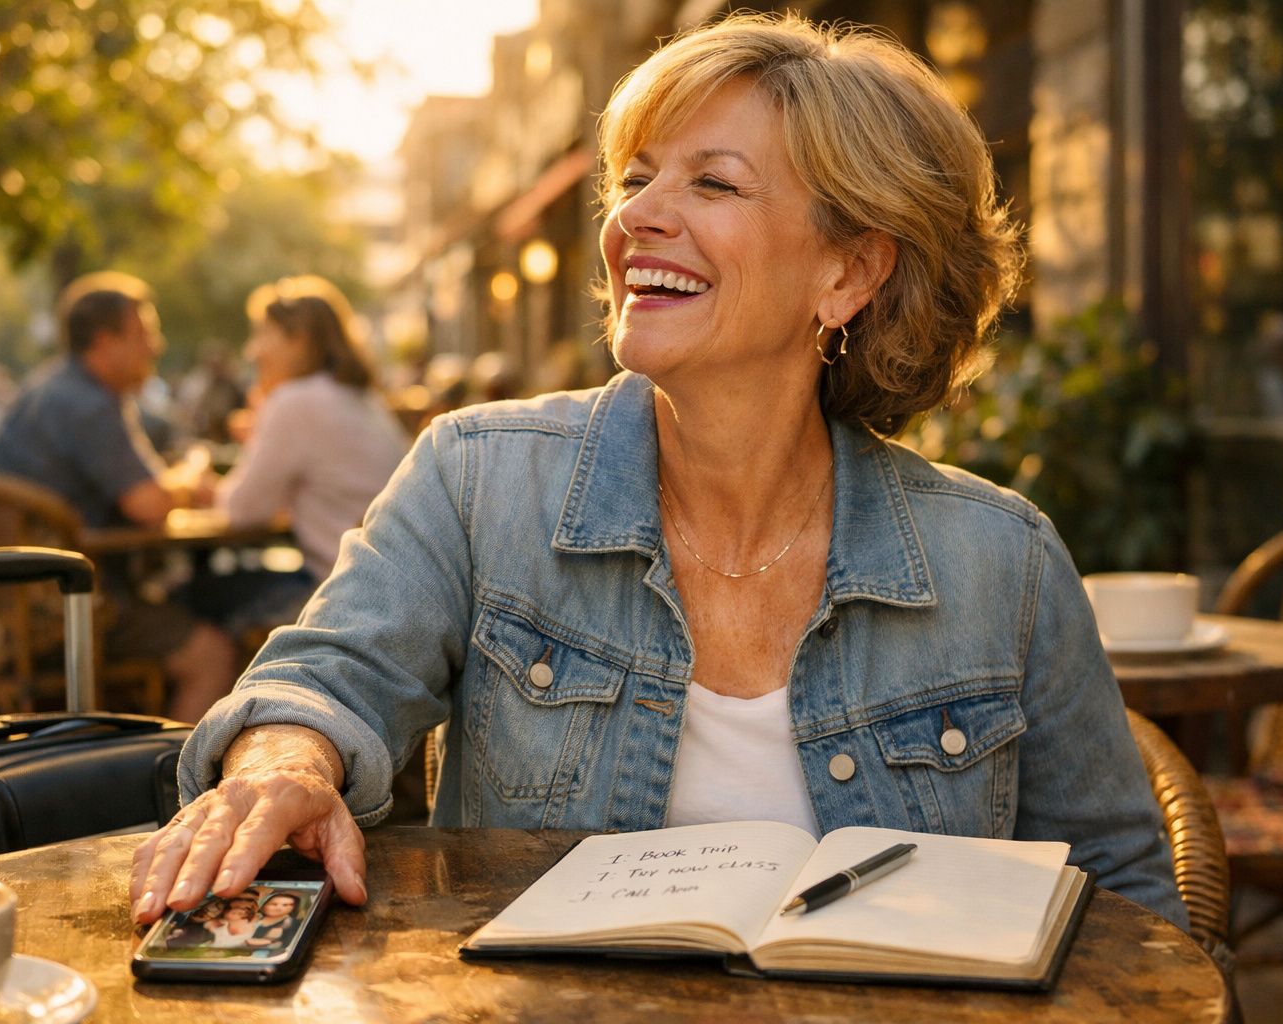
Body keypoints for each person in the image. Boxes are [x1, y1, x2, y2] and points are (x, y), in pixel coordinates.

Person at [131, 13, 1188, 932]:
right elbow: (323, 677)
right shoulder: (477, 477)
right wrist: (284, 763)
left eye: (713, 182)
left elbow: (1129, 902)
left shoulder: (1002, 562)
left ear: (849, 271)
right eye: (636, 179)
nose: (636, 217)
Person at [0, 271, 239, 721]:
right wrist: (193, 477)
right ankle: (172, 787)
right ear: (105, 342)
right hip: (60, 612)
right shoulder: (88, 403)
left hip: (2, 604)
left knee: (178, 604)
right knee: (213, 654)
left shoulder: (50, 387)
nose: (155, 347)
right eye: (144, 334)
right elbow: (149, 503)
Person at [216, 276, 411, 584]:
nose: (252, 351)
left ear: (299, 340)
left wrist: (206, 490)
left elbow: (243, 512)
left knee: (197, 594)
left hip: (343, 592)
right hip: (391, 583)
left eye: (263, 334)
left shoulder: (295, 401)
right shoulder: (360, 396)